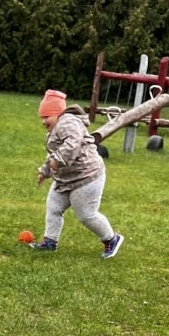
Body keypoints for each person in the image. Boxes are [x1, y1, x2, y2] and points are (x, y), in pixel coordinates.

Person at [30, 89, 124, 259]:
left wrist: (58, 160)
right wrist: (45, 171)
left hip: (87, 177)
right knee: (53, 207)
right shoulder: (56, 128)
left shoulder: (68, 123)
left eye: (46, 117)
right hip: (65, 179)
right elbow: (54, 154)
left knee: (86, 215)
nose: (43, 121)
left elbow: (72, 145)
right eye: (42, 117)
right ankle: (50, 242)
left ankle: (112, 238)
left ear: (58, 114)